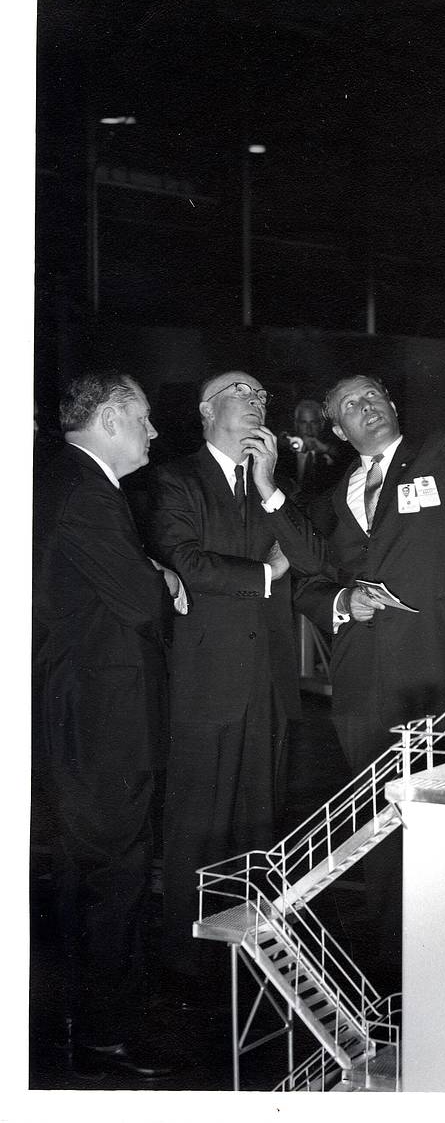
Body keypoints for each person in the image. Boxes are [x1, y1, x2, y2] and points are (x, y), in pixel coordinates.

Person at [292, 270, 445, 982]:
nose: (362, 408)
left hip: (440, 675)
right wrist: (342, 603)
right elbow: (309, 583)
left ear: (391, 405)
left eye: (371, 396)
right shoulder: (328, 500)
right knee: (377, 824)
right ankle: (386, 960)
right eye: (348, 406)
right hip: (363, 684)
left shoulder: (442, 457)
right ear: (335, 430)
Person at [149, 371, 333, 995]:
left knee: (259, 827)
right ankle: (183, 960)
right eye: (242, 394)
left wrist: (271, 490)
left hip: (270, 685)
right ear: (207, 411)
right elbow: (183, 559)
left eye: (262, 396)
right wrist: (262, 575)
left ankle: (244, 954)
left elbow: (312, 560)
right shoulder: (178, 478)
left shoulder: (270, 487)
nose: (257, 403)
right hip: (207, 682)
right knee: (197, 823)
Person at [32, 372, 184, 1078]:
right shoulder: (88, 492)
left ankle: (80, 1024)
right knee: (113, 878)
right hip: (105, 723)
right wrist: (165, 579)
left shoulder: (60, 482)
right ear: (115, 418)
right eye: (146, 418)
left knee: (83, 873)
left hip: (79, 715)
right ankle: (104, 1036)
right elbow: (140, 603)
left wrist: (147, 569)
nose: (154, 432)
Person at [274, 396, 345, 500]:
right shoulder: (283, 454)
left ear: (321, 424)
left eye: (313, 422)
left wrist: (326, 449)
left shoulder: (333, 453)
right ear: (296, 424)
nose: (308, 428)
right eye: (303, 423)